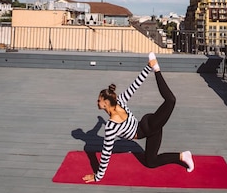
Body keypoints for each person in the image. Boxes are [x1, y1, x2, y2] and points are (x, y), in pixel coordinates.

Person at [82, 52, 194, 183]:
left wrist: (97, 177)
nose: (97, 102)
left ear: (106, 103)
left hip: (149, 125)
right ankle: (183, 156)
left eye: (99, 100)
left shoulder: (113, 121)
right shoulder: (118, 108)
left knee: (171, 101)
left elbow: (106, 154)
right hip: (149, 129)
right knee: (151, 162)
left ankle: (157, 69)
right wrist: (147, 67)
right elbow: (135, 85)